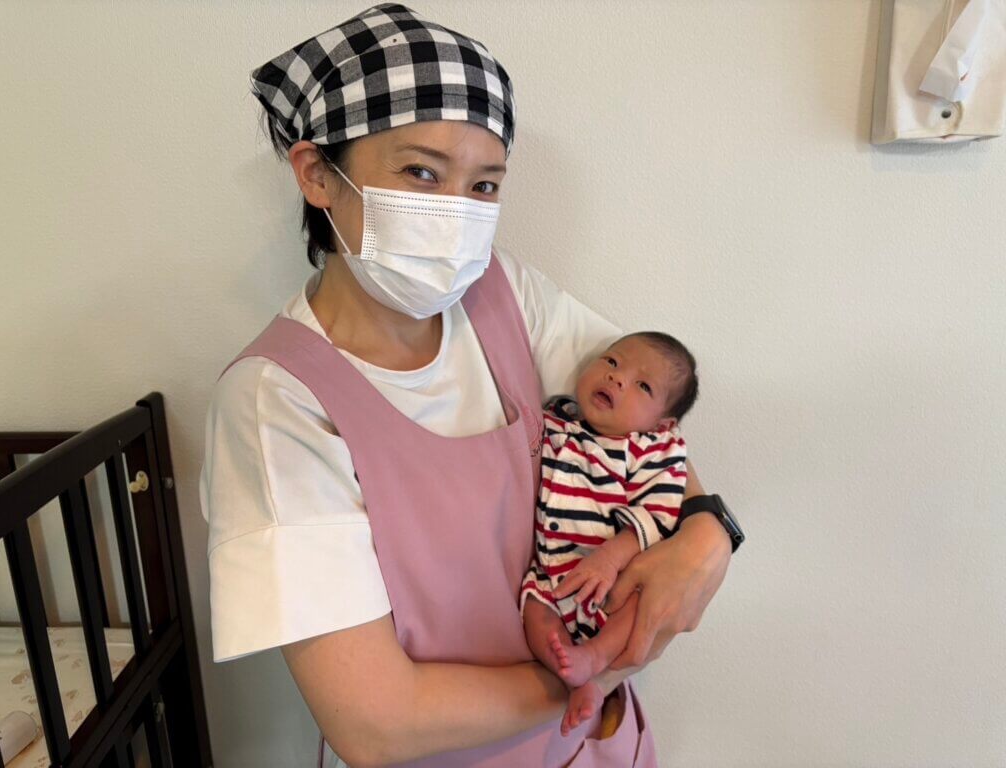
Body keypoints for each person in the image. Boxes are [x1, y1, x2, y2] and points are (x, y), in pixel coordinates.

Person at [200, 4, 737, 766]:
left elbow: (646, 420)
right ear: (317, 173)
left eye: (484, 184)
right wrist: (593, 675)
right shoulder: (275, 403)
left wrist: (709, 533)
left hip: (592, 749)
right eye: (421, 172)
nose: (456, 212)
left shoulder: (503, 294)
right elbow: (376, 723)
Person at [521, 332, 698, 737]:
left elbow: (660, 515)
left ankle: (595, 661)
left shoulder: (652, 451)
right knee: (533, 609)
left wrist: (612, 557)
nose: (617, 378)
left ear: (662, 423)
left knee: (643, 605)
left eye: (643, 385)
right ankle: (569, 670)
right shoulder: (556, 421)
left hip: (616, 584)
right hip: (555, 579)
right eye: (613, 362)